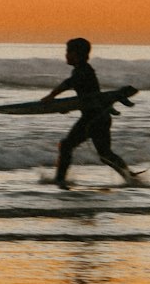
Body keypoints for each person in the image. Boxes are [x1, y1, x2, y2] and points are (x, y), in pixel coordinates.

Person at [42, 37, 136, 187]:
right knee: (105, 155)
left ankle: (59, 180)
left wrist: (52, 96)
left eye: (68, 52)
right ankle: (130, 178)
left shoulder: (82, 71)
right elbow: (85, 97)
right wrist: (67, 106)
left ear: (76, 54)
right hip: (101, 117)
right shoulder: (84, 70)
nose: (65, 55)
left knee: (66, 145)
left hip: (93, 119)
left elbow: (69, 84)